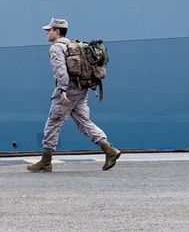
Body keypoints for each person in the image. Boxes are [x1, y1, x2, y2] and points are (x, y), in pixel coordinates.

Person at [27, 18, 121, 173]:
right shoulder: (73, 45)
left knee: (53, 122)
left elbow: (61, 71)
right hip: (81, 89)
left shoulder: (57, 48)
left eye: (49, 30)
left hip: (68, 90)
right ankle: (109, 150)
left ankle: (46, 160)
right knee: (84, 122)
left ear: (57, 31)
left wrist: (62, 90)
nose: (46, 32)